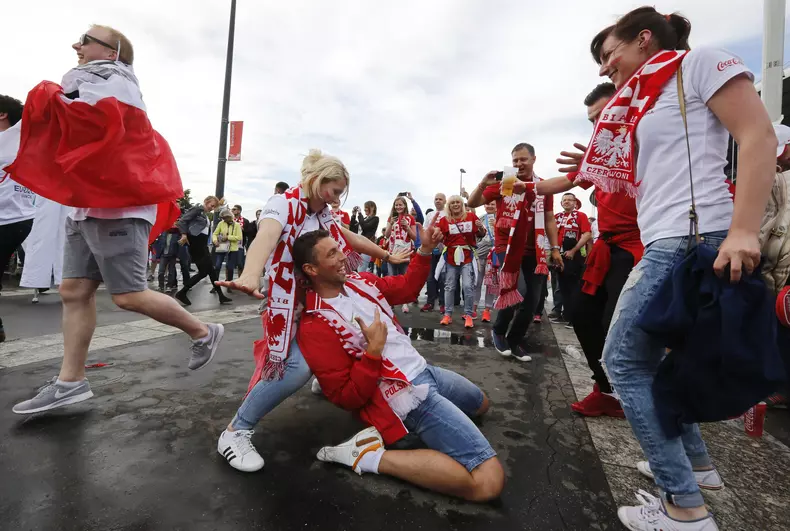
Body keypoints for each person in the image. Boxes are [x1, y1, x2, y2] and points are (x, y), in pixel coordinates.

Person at [563, 8, 774, 529]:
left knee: (624, 362)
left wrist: (744, 229)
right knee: (654, 360)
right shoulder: (644, 101)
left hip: (688, 237)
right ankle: (696, 467)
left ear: (643, 38)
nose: (604, 67)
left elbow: (760, 135)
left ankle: (684, 509)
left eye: (609, 53)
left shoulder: (697, 63)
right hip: (669, 237)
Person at [11, 25, 225, 415]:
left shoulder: (118, 82)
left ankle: (204, 331)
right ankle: (70, 382)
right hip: (86, 204)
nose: (76, 44)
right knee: (74, 290)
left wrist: (49, 98)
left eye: (86, 39)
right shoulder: (90, 82)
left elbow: (98, 127)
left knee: (127, 295)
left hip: (117, 205)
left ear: (112, 52)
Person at [213, 149, 411, 473]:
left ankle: (324, 375)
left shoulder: (321, 214)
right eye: (334, 191)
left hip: (316, 302)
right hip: (286, 304)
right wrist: (250, 274)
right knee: (294, 368)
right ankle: (235, 431)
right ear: (318, 181)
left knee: (335, 343)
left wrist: (386, 255)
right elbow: (266, 236)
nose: (337, 199)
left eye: (341, 193)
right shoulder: (283, 203)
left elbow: (348, 237)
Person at [294, 229, 505, 502]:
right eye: (332, 253)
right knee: (487, 483)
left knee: (481, 404)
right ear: (311, 268)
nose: (344, 256)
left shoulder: (362, 281)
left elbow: (406, 288)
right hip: (404, 395)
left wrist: (425, 250)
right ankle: (370, 456)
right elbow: (345, 396)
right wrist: (373, 352)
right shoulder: (315, 325)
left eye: (340, 248)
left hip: (425, 370)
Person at [536, 82, 633, 419]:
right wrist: (521, 185)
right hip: (608, 251)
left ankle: (650, 403)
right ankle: (606, 390)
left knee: (622, 331)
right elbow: (555, 184)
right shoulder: (600, 153)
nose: (598, 126)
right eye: (592, 121)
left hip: (641, 248)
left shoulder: (646, 142)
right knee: (582, 314)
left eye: (603, 116)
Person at [466, 143, 562, 360]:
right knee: (516, 292)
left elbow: (548, 218)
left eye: (523, 159)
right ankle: (499, 331)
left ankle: (514, 340)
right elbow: (472, 202)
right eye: (515, 160)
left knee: (533, 302)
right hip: (506, 247)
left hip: (536, 250)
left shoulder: (543, 186)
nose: (519, 164)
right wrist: (483, 183)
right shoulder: (505, 183)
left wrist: (554, 248)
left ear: (534, 159)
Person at [0, 95, 35, 293]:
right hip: (19, 218)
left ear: (2, 114)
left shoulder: (7, 141)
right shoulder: (21, 141)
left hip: (9, 220)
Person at [436, 195, 485, 328]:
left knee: (468, 286)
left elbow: (481, 234)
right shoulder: (444, 220)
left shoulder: (471, 216)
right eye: (453, 203)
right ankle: (447, 314)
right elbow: (438, 236)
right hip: (451, 257)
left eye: (458, 202)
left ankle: (468, 315)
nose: (456, 205)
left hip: (467, 256)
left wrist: (481, 228)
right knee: (449, 286)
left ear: (462, 204)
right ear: (449, 206)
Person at [175, 197, 232, 305]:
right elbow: (182, 221)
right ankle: (182, 292)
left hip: (202, 245)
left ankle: (221, 296)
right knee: (204, 272)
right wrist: (184, 234)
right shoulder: (197, 209)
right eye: (212, 205)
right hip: (196, 245)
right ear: (206, 202)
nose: (212, 208)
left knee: (211, 270)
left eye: (214, 207)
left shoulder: (204, 214)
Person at [19, 196, 70, 303]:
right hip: (47, 186)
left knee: (66, 234)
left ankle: (65, 281)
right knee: (41, 233)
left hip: (67, 185)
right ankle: (37, 279)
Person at [553, 193, 592, 327]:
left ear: (575, 203)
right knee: (562, 287)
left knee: (574, 287)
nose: (567, 202)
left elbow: (587, 234)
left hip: (574, 256)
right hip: (558, 256)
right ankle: (566, 315)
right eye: (564, 200)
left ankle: (574, 318)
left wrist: (574, 250)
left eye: (570, 200)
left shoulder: (580, 216)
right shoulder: (557, 217)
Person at [384, 196, 417, 313]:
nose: (398, 207)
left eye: (400, 205)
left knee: (404, 277)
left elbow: (414, 237)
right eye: (396, 205)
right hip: (392, 251)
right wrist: (391, 223)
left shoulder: (410, 218)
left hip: (405, 252)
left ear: (405, 206)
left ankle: (404, 303)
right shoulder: (391, 218)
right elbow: (387, 235)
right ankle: (391, 302)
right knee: (391, 278)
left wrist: (407, 227)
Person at [421, 193, 447, 312]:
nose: (438, 201)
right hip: (431, 250)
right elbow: (425, 229)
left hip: (444, 250)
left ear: (445, 201)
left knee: (442, 278)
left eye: (440, 199)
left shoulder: (448, 213)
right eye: (436, 199)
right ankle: (430, 302)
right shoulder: (430, 215)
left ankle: (443, 303)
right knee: (430, 278)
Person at [474, 201, 497, 323]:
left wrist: (498, 226)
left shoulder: (501, 219)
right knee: (476, 282)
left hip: (493, 257)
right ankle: (473, 308)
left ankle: (487, 310)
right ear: (484, 205)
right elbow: (476, 236)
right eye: (488, 204)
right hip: (480, 255)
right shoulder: (480, 219)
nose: (490, 206)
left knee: (490, 284)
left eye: (493, 204)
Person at [213, 207, 243, 285]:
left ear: (230, 216)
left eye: (225, 218)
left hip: (233, 249)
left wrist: (228, 237)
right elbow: (215, 234)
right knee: (217, 266)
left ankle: (229, 283)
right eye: (222, 218)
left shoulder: (236, 225)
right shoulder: (221, 223)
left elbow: (239, 237)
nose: (224, 219)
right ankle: (215, 284)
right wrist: (215, 240)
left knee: (230, 267)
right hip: (221, 248)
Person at [349, 201, 379, 273]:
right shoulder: (364, 219)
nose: (364, 209)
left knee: (361, 271)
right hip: (357, 246)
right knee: (354, 270)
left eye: (366, 207)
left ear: (372, 208)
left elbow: (365, 226)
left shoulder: (375, 219)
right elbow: (352, 228)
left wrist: (359, 214)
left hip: (366, 247)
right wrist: (353, 215)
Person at [232, 204, 250, 274]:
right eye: (232, 209)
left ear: (239, 211)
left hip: (240, 244)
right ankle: (228, 280)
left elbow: (248, 233)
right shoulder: (230, 220)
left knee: (240, 264)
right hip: (230, 244)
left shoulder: (245, 221)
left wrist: (243, 229)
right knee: (229, 265)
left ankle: (240, 280)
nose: (232, 210)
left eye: (234, 209)